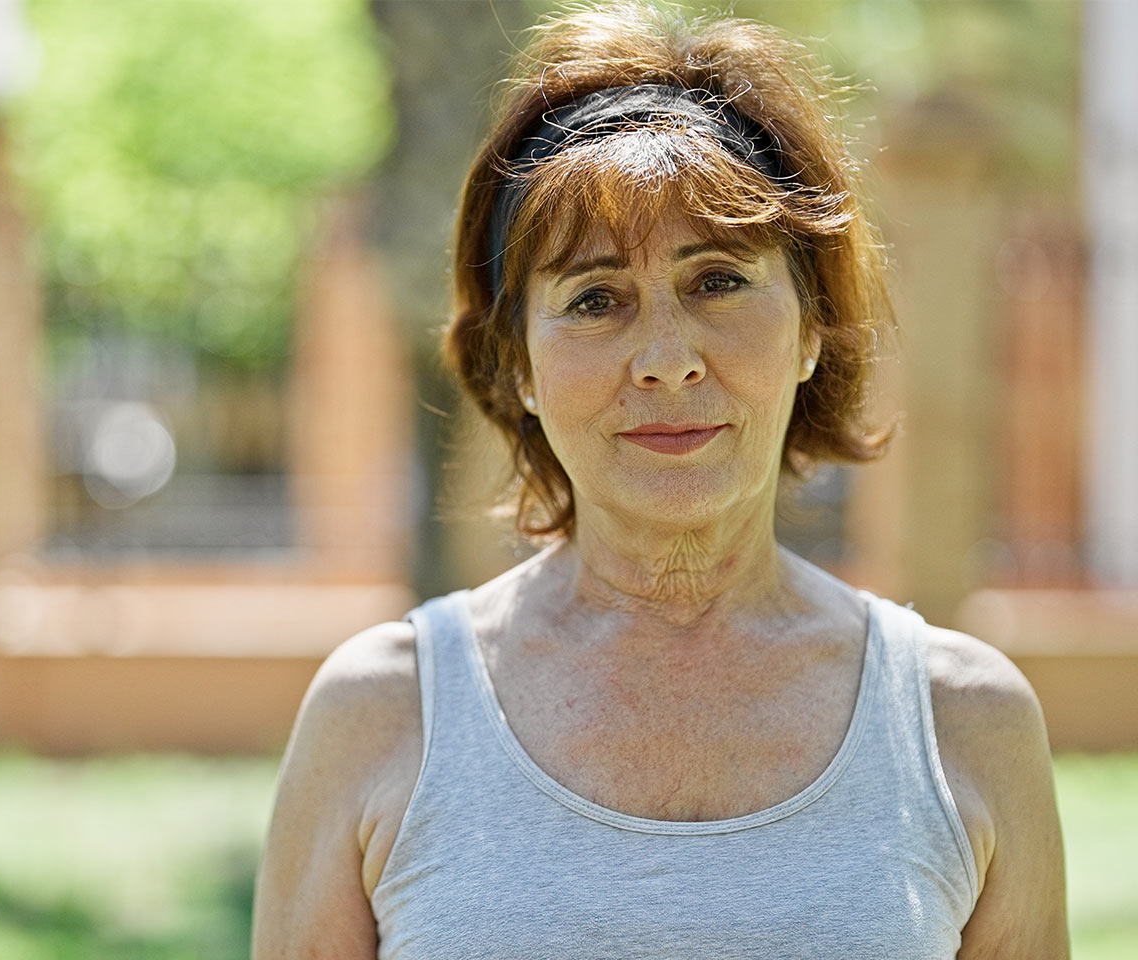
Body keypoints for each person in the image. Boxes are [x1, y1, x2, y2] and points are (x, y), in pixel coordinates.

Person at [252, 3, 1068, 957]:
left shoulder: (963, 724)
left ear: (812, 328)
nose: (667, 359)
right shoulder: (381, 717)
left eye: (718, 280)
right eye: (595, 299)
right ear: (516, 364)